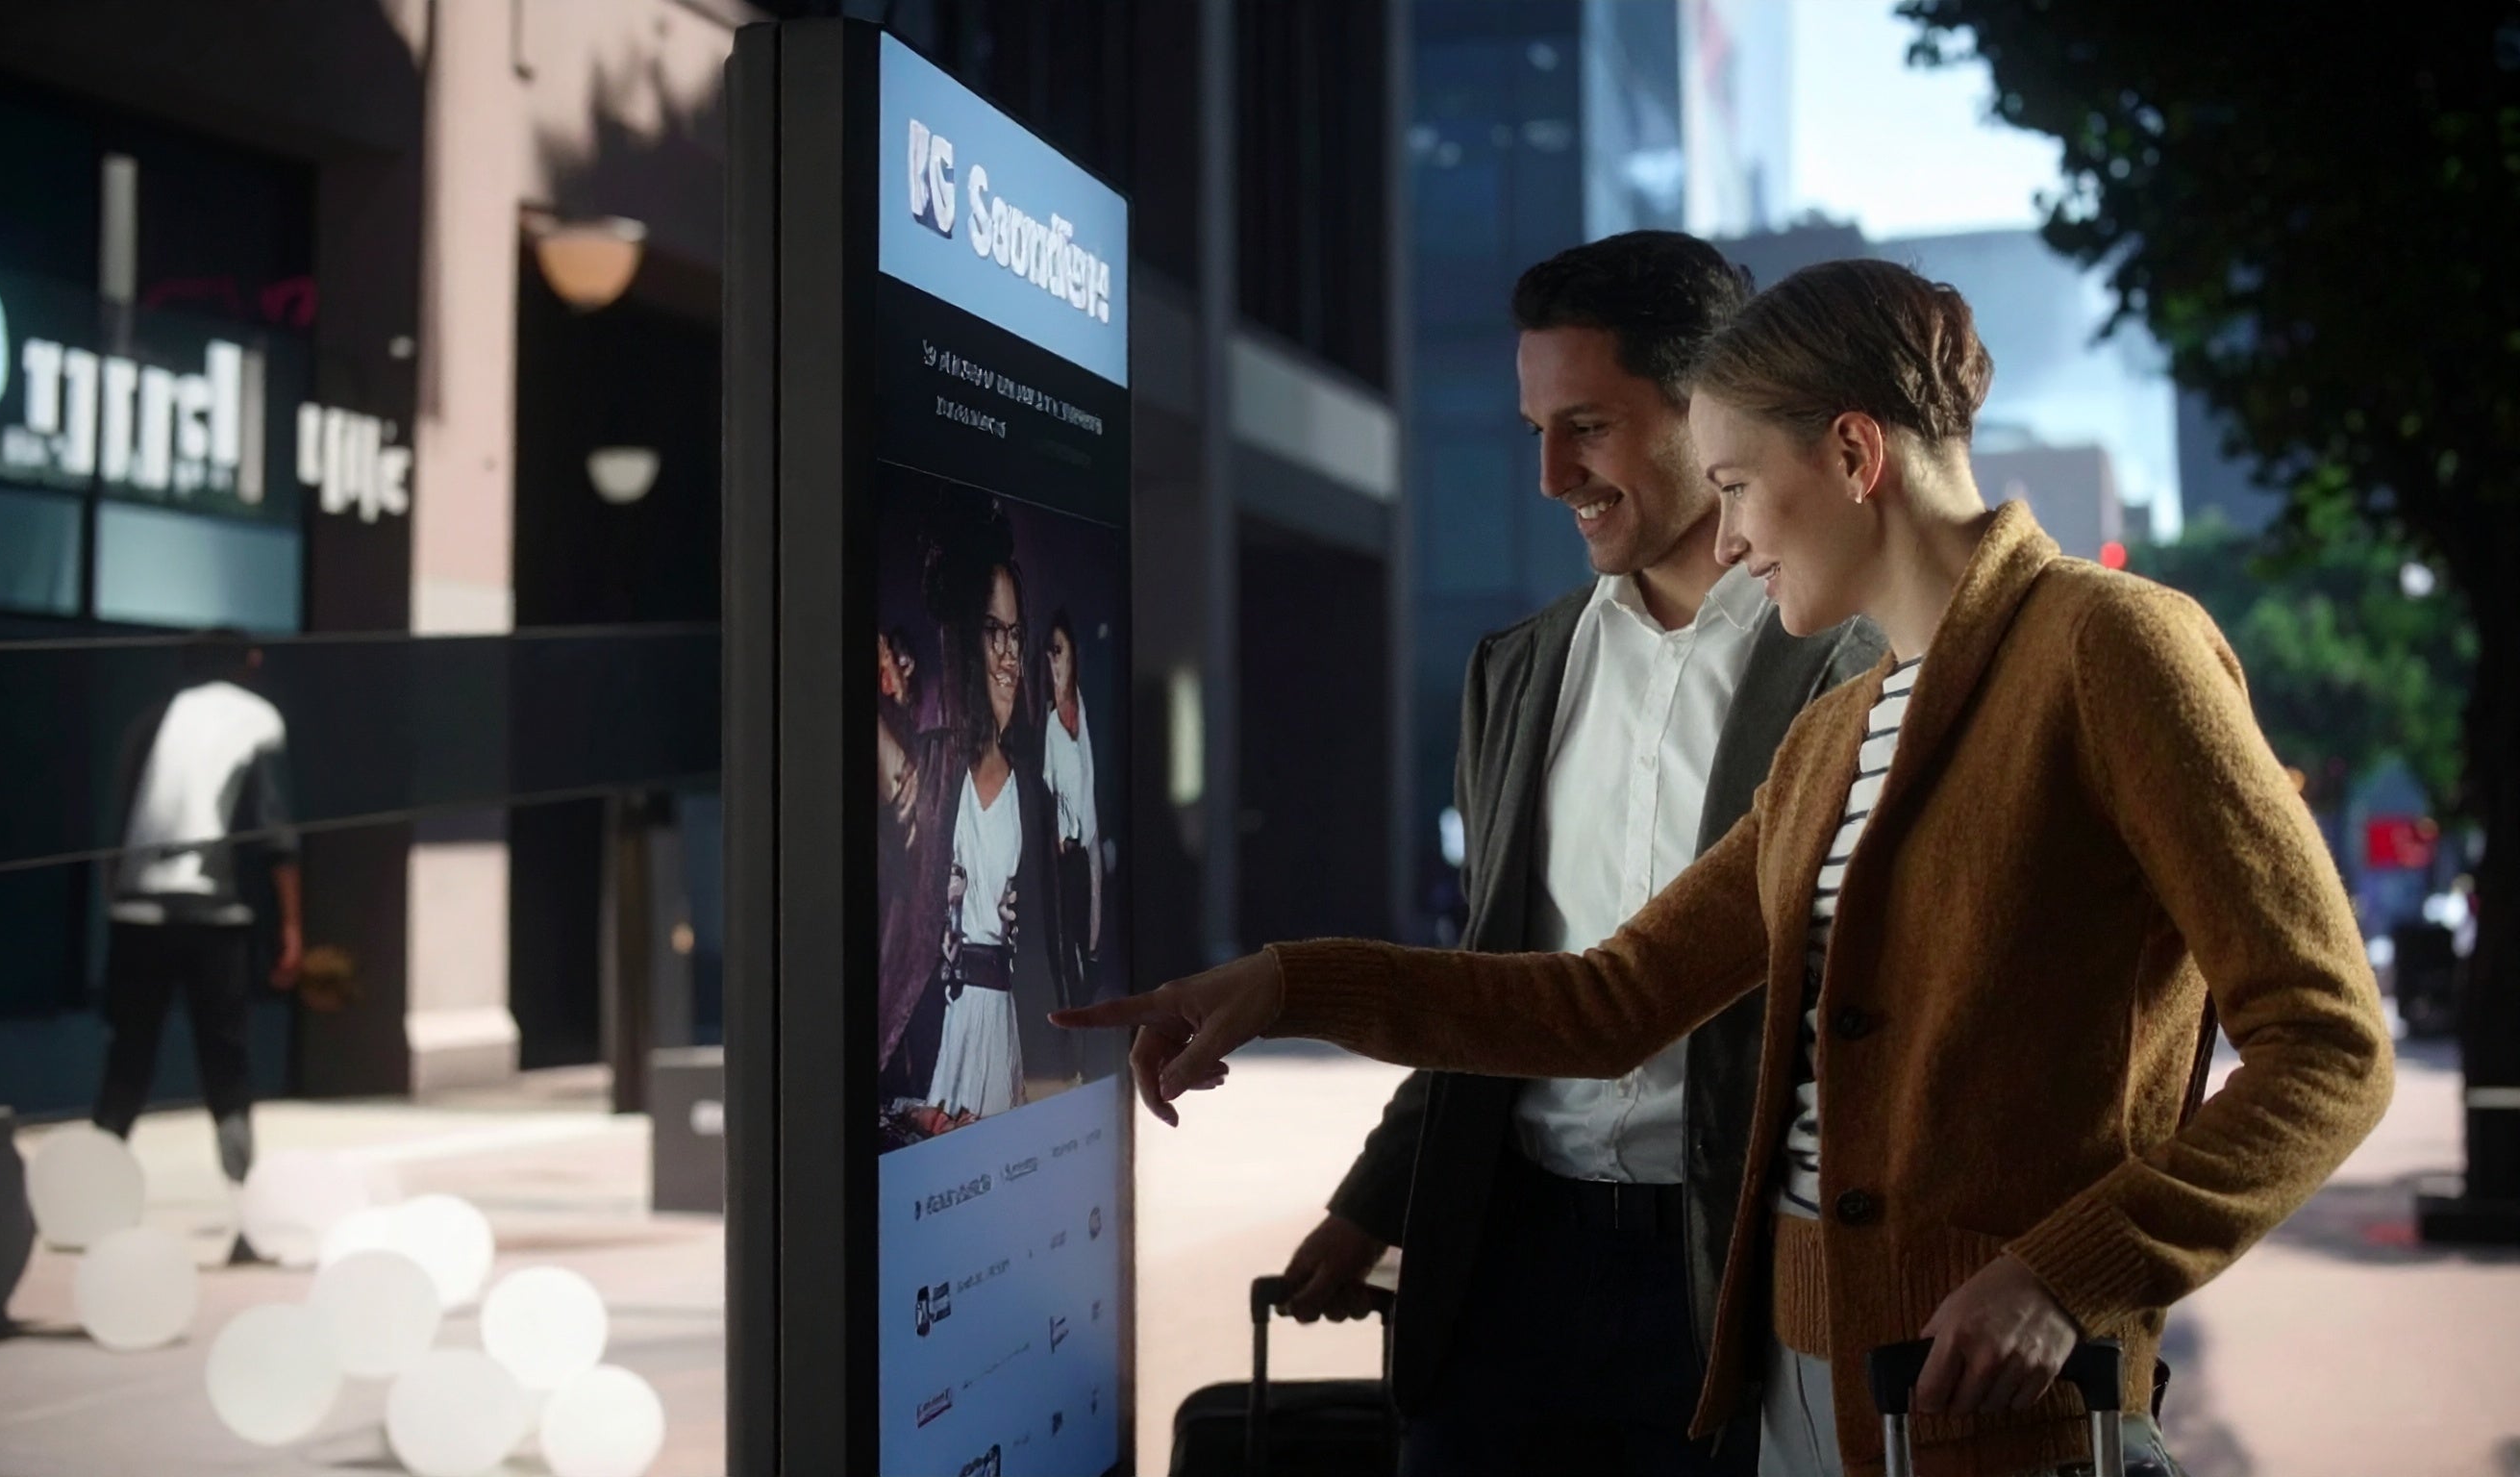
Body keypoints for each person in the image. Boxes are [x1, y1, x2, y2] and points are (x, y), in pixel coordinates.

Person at [1061, 260, 2396, 1477]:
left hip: (2001, 1397)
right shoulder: (1832, 739)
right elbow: (1603, 1003)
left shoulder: (2115, 649)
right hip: (1782, 1386)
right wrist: (1288, 982)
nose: (1735, 539)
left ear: (1857, 452)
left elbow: (2330, 1046)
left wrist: (2063, 1277)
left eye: (1743, 486)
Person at [1276, 232, 1882, 1477]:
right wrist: (1380, 1193)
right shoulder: (1517, 672)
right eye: (1537, 427)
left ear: (1711, 403)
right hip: (1510, 1261)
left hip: (1739, 1269)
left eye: (1588, 427)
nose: (1551, 474)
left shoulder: (1853, 668)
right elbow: (1495, 968)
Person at [96, 628, 302, 1252]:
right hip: (215, 912)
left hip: (137, 910)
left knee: (128, 1054)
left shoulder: (151, 719)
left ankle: (90, 1202)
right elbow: (275, 830)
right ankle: (246, 1211)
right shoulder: (258, 719)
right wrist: (292, 926)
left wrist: (116, 897)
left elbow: (119, 814)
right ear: (250, 662)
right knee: (227, 1061)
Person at [879, 498, 1056, 1131]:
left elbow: (1046, 941)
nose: (1009, 658)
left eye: (1016, 635)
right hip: (937, 1034)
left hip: (1002, 1023)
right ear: (960, 642)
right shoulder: (929, 771)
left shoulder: (1033, 791)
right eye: (992, 633)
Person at [1038, 609, 1104, 1015]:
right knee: (1071, 945)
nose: (1053, 663)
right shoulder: (1050, 725)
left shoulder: (1084, 710)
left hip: (1091, 844)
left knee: (1091, 941)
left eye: (1058, 652)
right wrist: (1062, 834)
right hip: (1069, 851)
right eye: (1048, 654)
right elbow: (1050, 785)